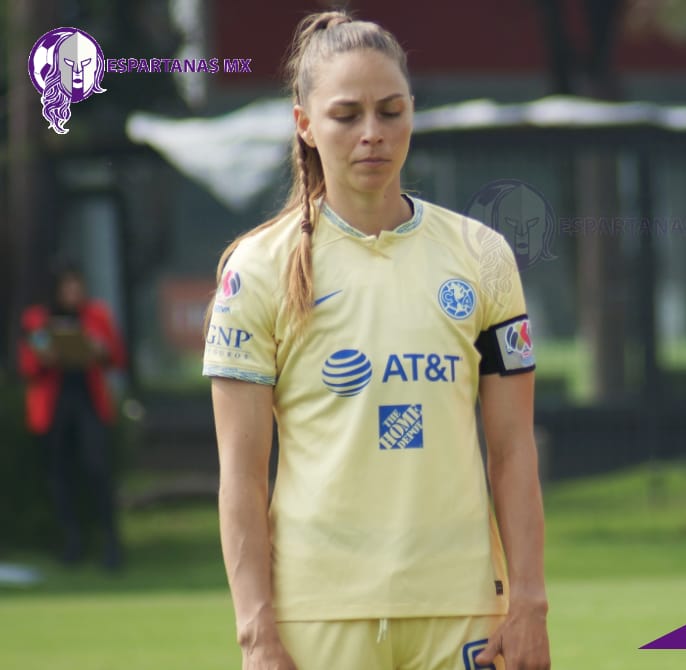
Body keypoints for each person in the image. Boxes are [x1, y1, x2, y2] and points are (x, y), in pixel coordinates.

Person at [203, 11, 550, 670]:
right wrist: (255, 632)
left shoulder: (482, 257)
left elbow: (512, 450)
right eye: (346, 115)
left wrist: (530, 601)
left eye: (391, 111)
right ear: (305, 124)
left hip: (463, 608)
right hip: (316, 615)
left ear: (412, 112)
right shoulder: (258, 269)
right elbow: (241, 476)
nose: (372, 133)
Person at [18, 262, 127, 569]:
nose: (73, 293)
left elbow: (116, 356)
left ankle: (110, 542)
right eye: (67, 287)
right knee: (59, 475)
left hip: (88, 403)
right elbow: (28, 364)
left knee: (97, 468)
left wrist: (98, 350)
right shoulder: (37, 320)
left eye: (77, 286)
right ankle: (72, 542)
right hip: (54, 407)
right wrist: (45, 357)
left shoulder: (96, 316)